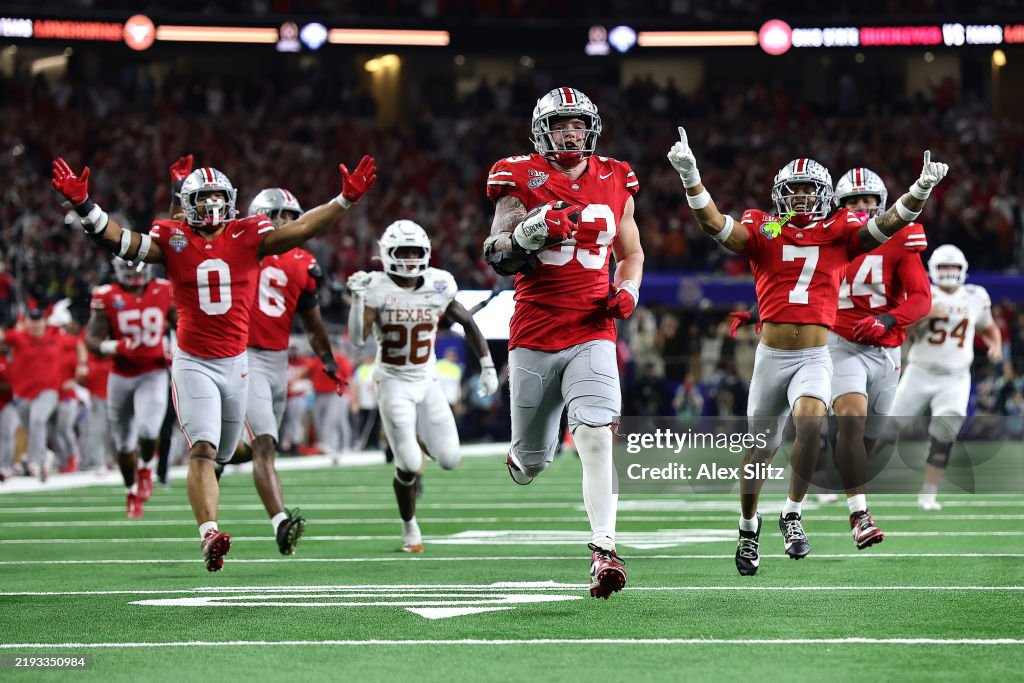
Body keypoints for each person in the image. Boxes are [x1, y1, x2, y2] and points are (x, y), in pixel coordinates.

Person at [52, 153, 376, 571]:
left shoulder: (248, 233)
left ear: (230, 200)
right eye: (202, 199)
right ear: (187, 204)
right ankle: (209, 534)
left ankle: (231, 486)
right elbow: (121, 240)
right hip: (194, 362)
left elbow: (300, 229)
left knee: (226, 451)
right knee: (203, 450)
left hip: (236, 363)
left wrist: (345, 200)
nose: (210, 206)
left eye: (217, 198)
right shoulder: (173, 237)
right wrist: (84, 205)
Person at [668, 127, 948, 576]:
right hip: (771, 356)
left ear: (823, 195)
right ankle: (748, 526)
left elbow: (886, 225)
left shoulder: (840, 230)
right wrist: (691, 178)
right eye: (793, 189)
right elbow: (716, 226)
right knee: (759, 451)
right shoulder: (764, 226)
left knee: (811, 422)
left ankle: (792, 513)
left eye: (808, 189)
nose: (800, 197)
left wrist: (920, 190)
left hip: (816, 355)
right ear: (780, 195)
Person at [482, 87, 643, 599]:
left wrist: (628, 288)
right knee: (533, 461)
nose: (571, 133)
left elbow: (631, 252)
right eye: (560, 124)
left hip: (592, 328)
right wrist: (530, 232)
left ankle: (604, 550)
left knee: (596, 434)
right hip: (534, 332)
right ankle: (523, 456)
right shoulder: (518, 176)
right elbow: (497, 253)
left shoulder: (616, 176)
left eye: (578, 124)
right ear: (542, 131)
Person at [348, 220, 498, 553]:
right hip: (392, 382)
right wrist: (358, 302)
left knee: (450, 459)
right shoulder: (375, 286)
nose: (410, 258)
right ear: (388, 254)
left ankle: (416, 439)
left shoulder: (438, 283)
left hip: (427, 380)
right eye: (403, 252)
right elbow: (358, 338)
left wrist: (487, 365)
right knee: (409, 463)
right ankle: (410, 528)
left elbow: (467, 321)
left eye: (415, 251)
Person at [825, 168, 932, 547]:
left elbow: (922, 298)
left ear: (882, 203)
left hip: (886, 349)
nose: (861, 206)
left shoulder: (900, 236)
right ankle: (860, 515)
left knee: (871, 435)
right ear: (839, 206)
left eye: (868, 200)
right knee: (852, 420)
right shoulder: (829, 236)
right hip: (840, 342)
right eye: (853, 201)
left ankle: (842, 467)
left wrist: (886, 319)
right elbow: (796, 281)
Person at [239, 187, 347, 555]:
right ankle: (280, 522)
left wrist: (328, 360)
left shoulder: (303, 262)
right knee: (265, 442)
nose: (287, 223)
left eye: (291, 217)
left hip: (278, 360)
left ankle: (212, 459)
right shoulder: (243, 249)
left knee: (254, 446)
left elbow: (313, 323)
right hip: (243, 355)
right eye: (279, 216)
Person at [889, 244, 1002, 511]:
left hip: (955, 377)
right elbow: (902, 334)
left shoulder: (975, 296)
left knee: (945, 432)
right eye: (943, 267)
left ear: (962, 269)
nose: (949, 271)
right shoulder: (921, 294)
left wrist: (995, 344)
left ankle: (929, 493)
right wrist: (923, 315)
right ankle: (849, 478)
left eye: (953, 266)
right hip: (919, 372)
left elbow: (988, 327)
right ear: (933, 269)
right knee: (886, 429)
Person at [85, 259, 174, 518]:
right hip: (121, 374)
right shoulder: (107, 296)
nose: (134, 273)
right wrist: (115, 346)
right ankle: (131, 491)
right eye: (128, 268)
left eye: (138, 268)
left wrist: (177, 350)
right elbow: (92, 340)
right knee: (124, 443)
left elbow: (182, 324)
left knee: (148, 429)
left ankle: (146, 466)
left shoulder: (164, 290)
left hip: (153, 372)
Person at [0, 307, 84, 482]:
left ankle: (36, 462)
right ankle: (44, 455)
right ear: (27, 322)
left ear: (44, 321)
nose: (36, 324)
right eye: (32, 321)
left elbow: (78, 343)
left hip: (48, 391)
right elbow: (2, 337)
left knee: (38, 421)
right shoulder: (18, 336)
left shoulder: (56, 336)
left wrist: (82, 365)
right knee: (31, 428)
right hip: (22, 394)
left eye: (38, 321)